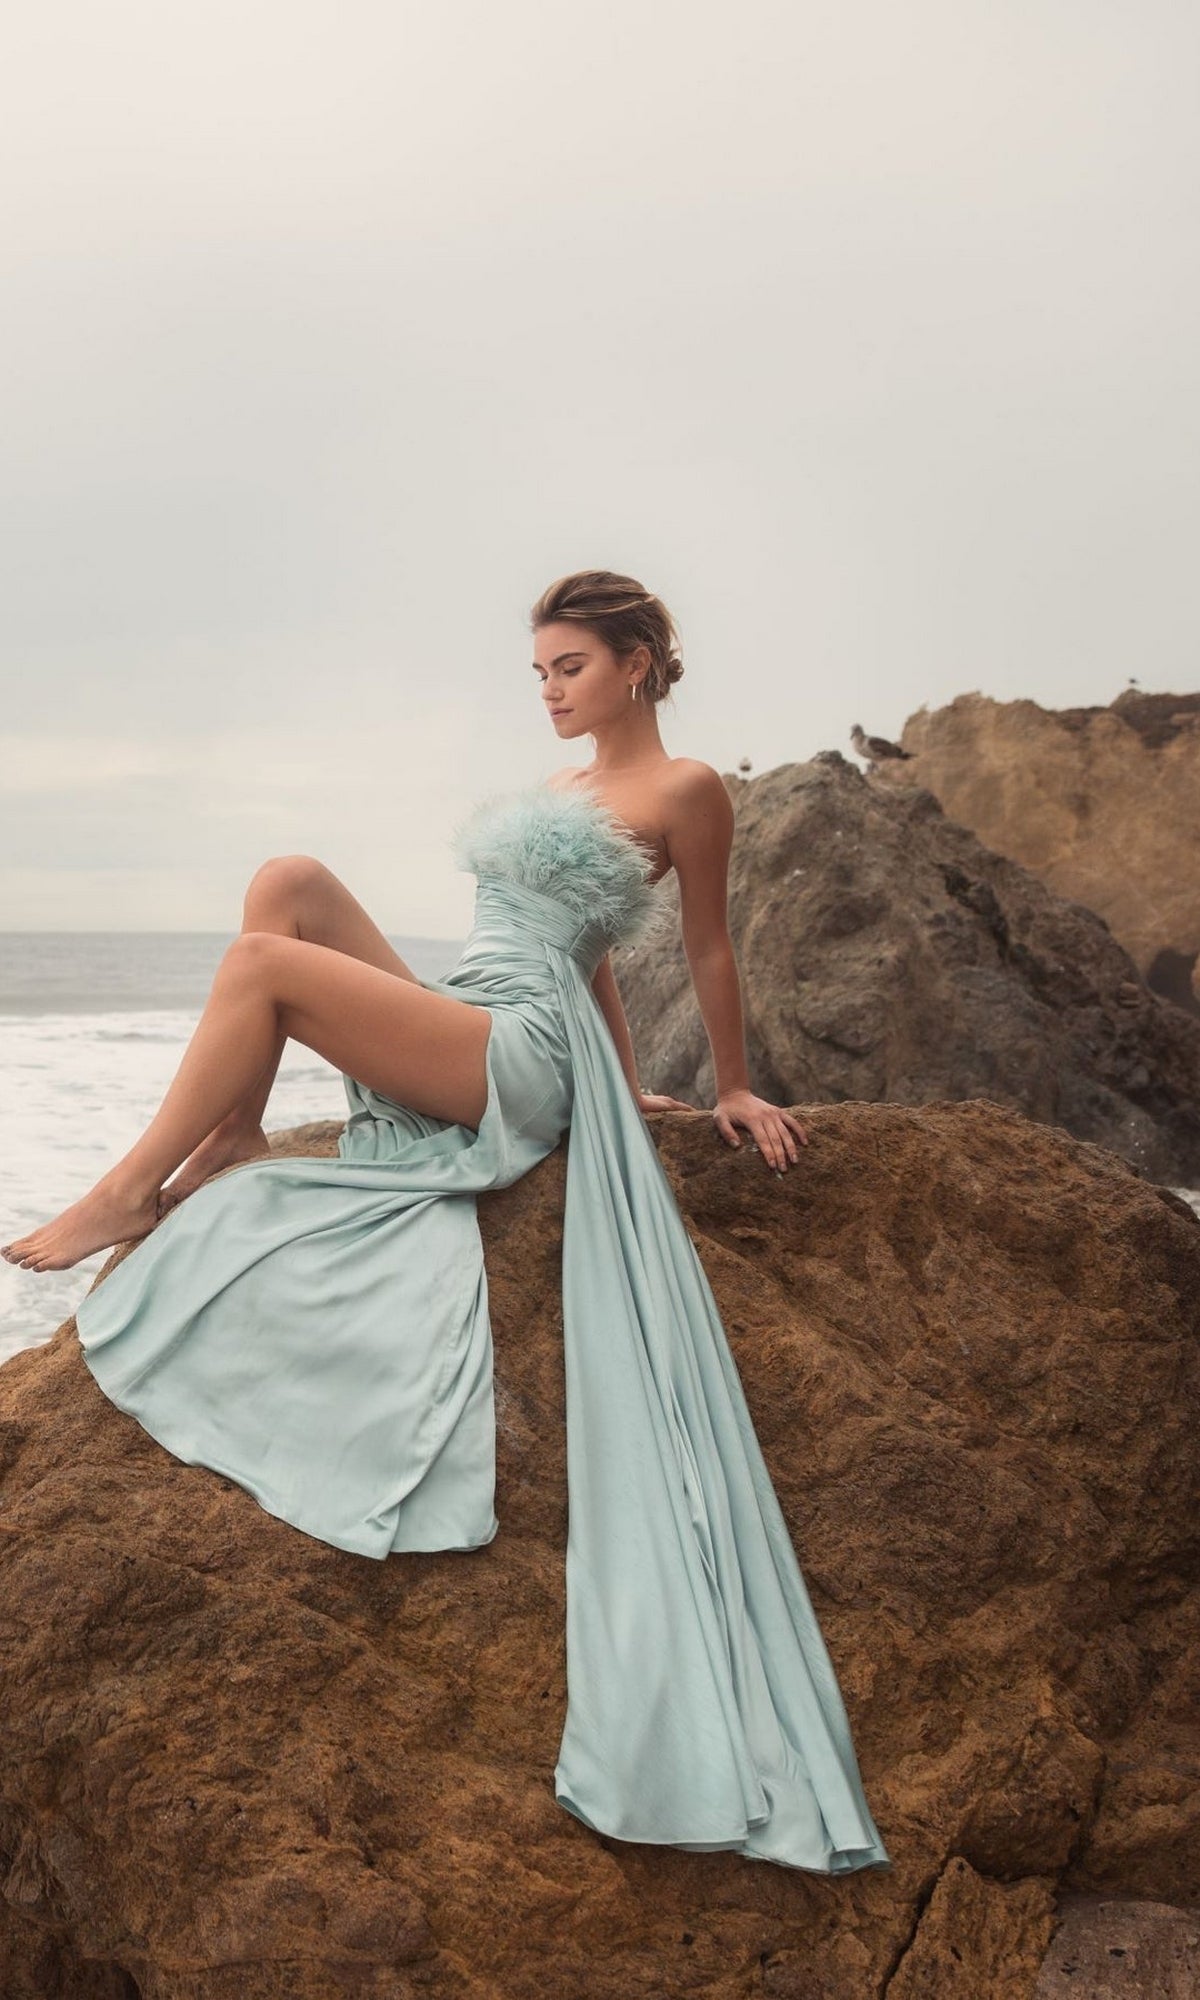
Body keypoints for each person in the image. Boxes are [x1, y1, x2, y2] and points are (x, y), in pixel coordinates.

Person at [2, 569, 890, 1875]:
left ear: (638, 664)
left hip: (515, 1053)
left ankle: (133, 1186)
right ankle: (237, 1131)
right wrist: (620, 1068)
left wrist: (728, 1085)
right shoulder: (560, 789)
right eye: (539, 672)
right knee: (288, 881)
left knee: (259, 966)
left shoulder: (687, 790)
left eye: (570, 668)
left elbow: (704, 945)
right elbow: (593, 957)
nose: (550, 691)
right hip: (478, 1006)